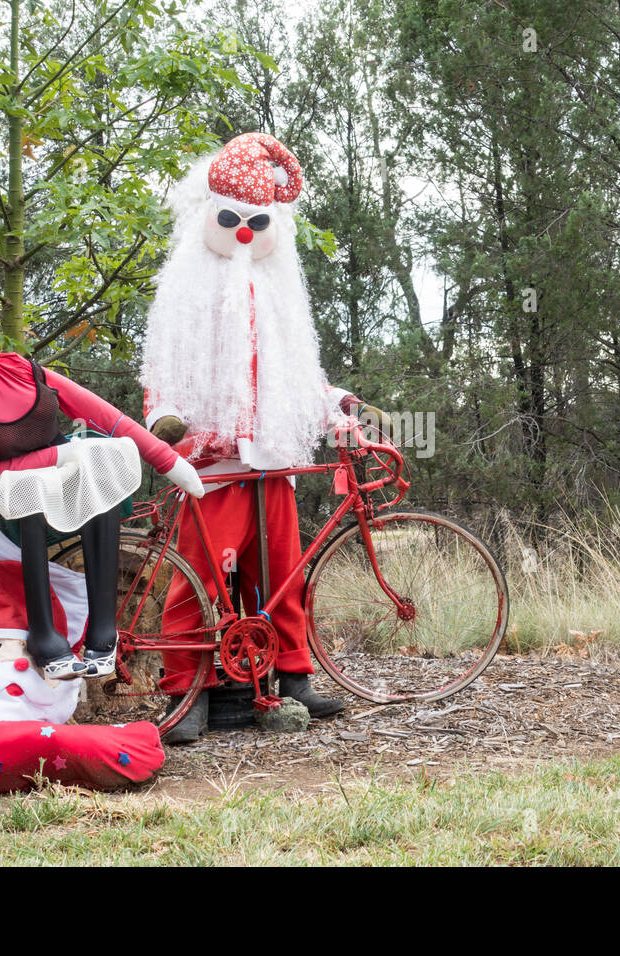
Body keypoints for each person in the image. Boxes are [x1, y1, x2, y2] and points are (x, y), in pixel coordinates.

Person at [139, 133, 389, 744]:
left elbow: (301, 377)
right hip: (212, 463)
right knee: (196, 578)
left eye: (258, 221)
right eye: (231, 220)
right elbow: (163, 374)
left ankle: (291, 675)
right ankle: (186, 694)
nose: (245, 233)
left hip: (271, 461)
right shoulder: (184, 294)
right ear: (208, 216)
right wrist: (164, 420)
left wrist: (337, 408)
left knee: (281, 572)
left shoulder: (279, 298)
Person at [0, 235, 203, 682]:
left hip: (65, 479)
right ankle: (45, 635)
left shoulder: (24, 370)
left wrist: (164, 458)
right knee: (29, 492)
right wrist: (8, 472)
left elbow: (105, 415)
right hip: (10, 502)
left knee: (97, 461)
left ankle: (104, 632)